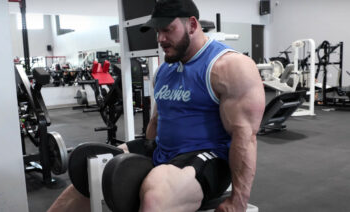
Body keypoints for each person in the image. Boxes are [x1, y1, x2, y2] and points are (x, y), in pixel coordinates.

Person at [48, 0, 265, 211]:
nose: (160, 38)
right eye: (157, 31)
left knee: (155, 194)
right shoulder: (164, 70)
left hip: (207, 157)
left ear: (192, 25)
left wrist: (238, 201)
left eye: (168, 30)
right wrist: (142, 157)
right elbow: (156, 120)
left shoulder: (228, 66)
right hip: (164, 150)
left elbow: (244, 136)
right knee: (90, 172)